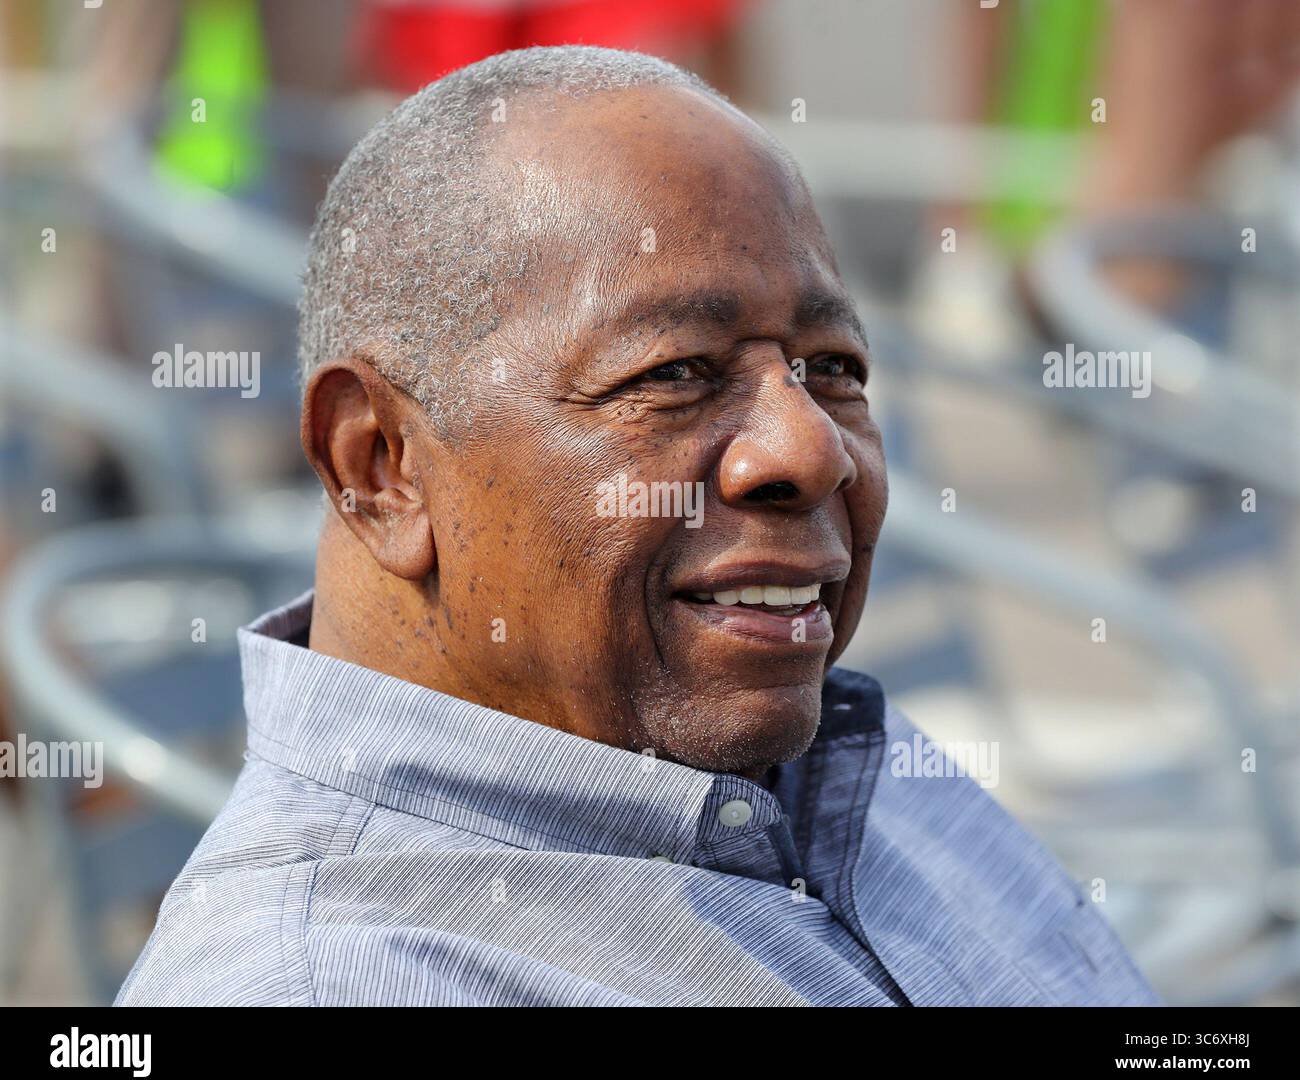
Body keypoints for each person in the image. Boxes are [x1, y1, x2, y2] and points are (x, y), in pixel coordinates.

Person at [116, 46, 1157, 1006]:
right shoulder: (337, 981)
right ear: (380, 466)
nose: (808, 451)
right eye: (672, 373)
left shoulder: (828, 760)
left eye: (832, 369)